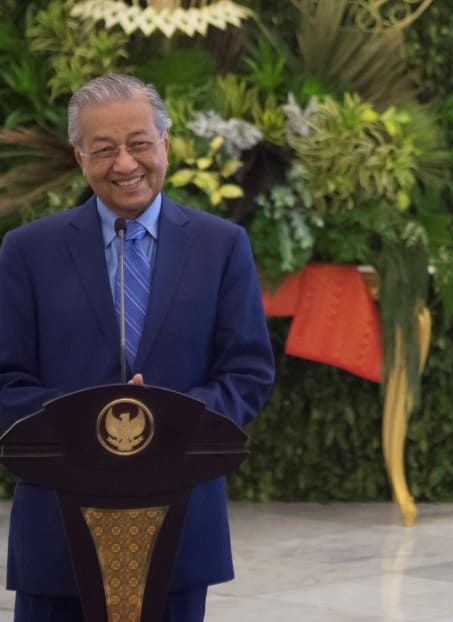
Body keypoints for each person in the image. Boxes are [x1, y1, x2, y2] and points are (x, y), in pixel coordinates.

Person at [0, 74, 275, 621]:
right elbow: (5, 378)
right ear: (81, 157)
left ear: (166, 143)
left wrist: (172, 423)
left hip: (178, 521)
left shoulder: (221, 247)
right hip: (57, 524)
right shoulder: (27, 251)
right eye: (104, 149)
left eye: (139, 144)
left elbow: (247, 372)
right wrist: (86, 421)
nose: (125, 163)